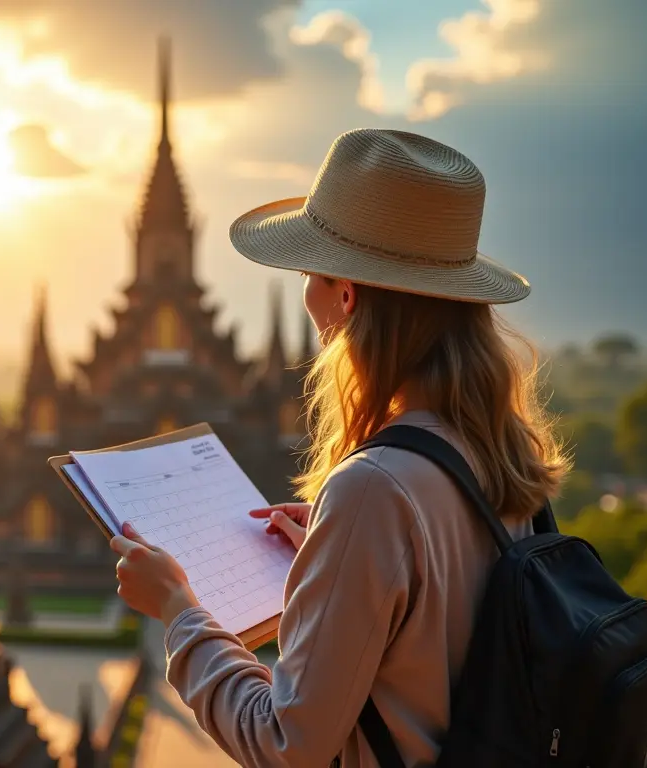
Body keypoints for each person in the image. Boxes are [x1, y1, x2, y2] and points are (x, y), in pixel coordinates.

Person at [109, 128, 570, 767]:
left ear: (346, 296)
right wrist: (335, 555)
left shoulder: (375, 486)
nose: (308, 298)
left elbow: (286, 745)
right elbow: (441, 626)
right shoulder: (499, 453)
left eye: (310, 275)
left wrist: (179, 608)